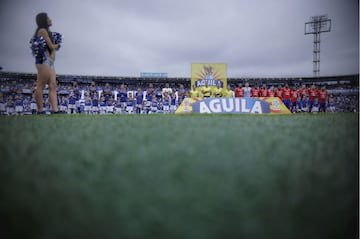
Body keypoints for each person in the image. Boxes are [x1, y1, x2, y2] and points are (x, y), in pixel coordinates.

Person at [31, 12, 62, 114]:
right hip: (43, 60)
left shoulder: (47, 32)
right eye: (48, 18)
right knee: (41, 85)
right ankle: (40, 110)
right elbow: (51, 46)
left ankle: (55, 110)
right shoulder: (43, 30)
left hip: (50, 62)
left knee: (53, 85)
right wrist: (57, 44)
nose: (50, 19)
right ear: (43, 20)